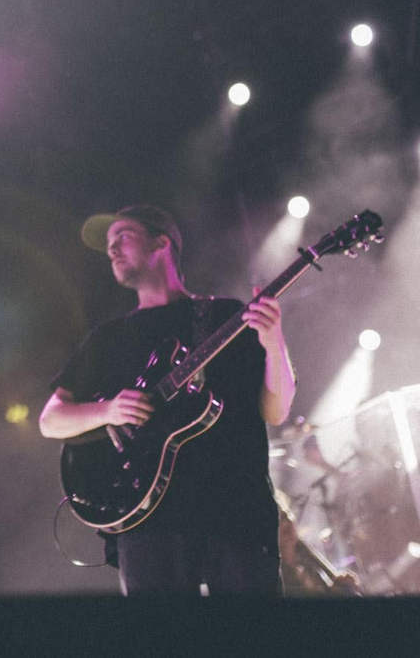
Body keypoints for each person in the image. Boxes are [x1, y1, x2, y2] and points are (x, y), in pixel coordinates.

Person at [38, 204, 294, 595]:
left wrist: (274, 343)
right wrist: (107, 410)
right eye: (108, 244)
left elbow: (275, 411)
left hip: (237, 511)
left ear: (161, 243)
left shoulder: (226, 316)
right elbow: (51, 420)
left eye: (122, 236)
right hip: (149, 522)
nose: (111, 250)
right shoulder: (107, 339)